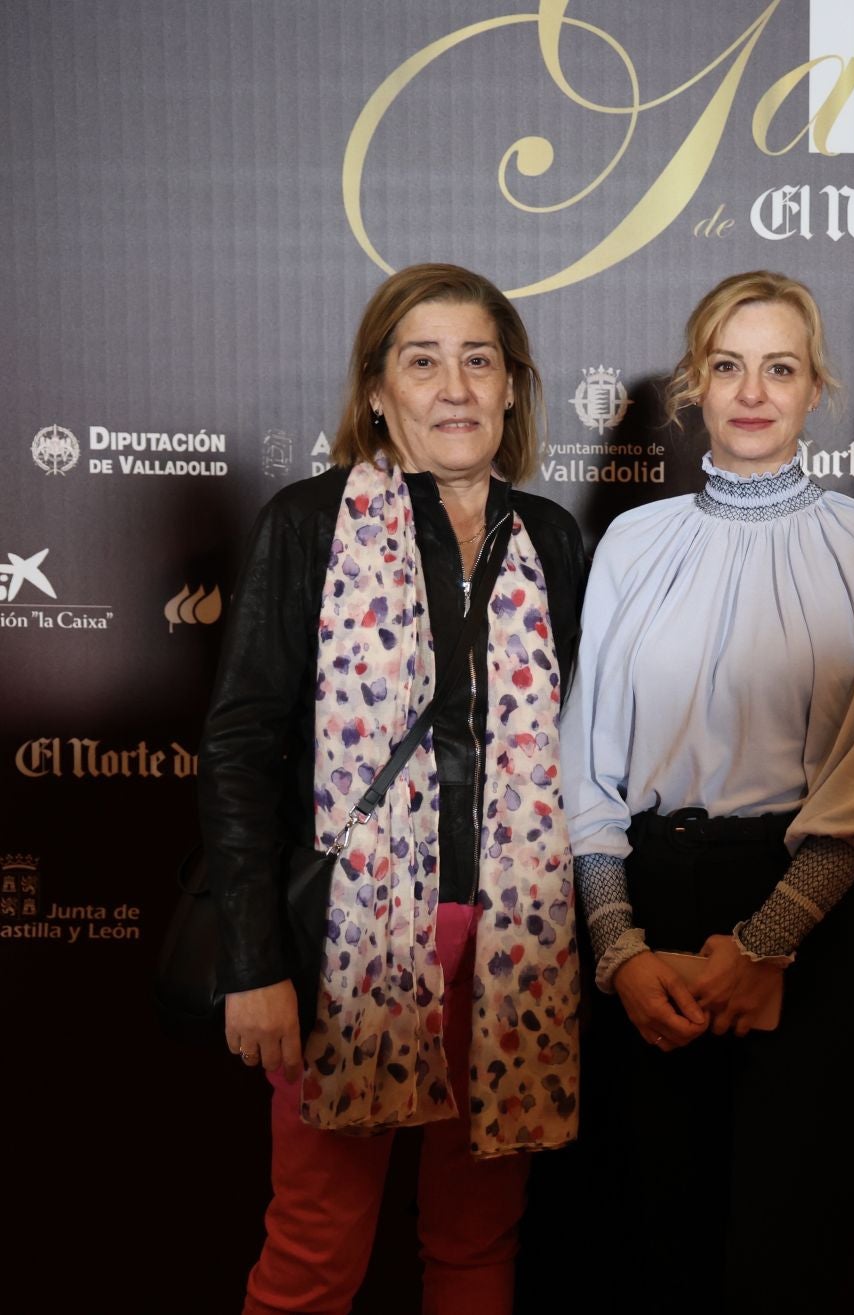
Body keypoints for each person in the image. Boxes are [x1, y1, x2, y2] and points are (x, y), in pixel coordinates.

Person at [201, 263, 588, 1313]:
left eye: (481, 360)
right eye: (424, 361)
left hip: (517, 947)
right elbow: (240, 747)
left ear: (513, 388)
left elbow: (585, 754)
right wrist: (250, 957)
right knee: (316, 1251)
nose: (455, 386)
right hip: (347, 949)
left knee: (476, 1245)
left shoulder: (550, 538)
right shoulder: (309, 524)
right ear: (378, 388)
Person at [562, 270, 854, 1308]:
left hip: (810, 917)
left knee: (787, 1243)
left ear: (817, 389)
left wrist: (764, 948)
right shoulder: (633, 542)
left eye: (780, 368)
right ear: (694, 386)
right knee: (651, 1241)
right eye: (728, 366)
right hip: (649, 911)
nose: (753, 391)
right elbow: (587, 769)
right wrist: (621, 952)